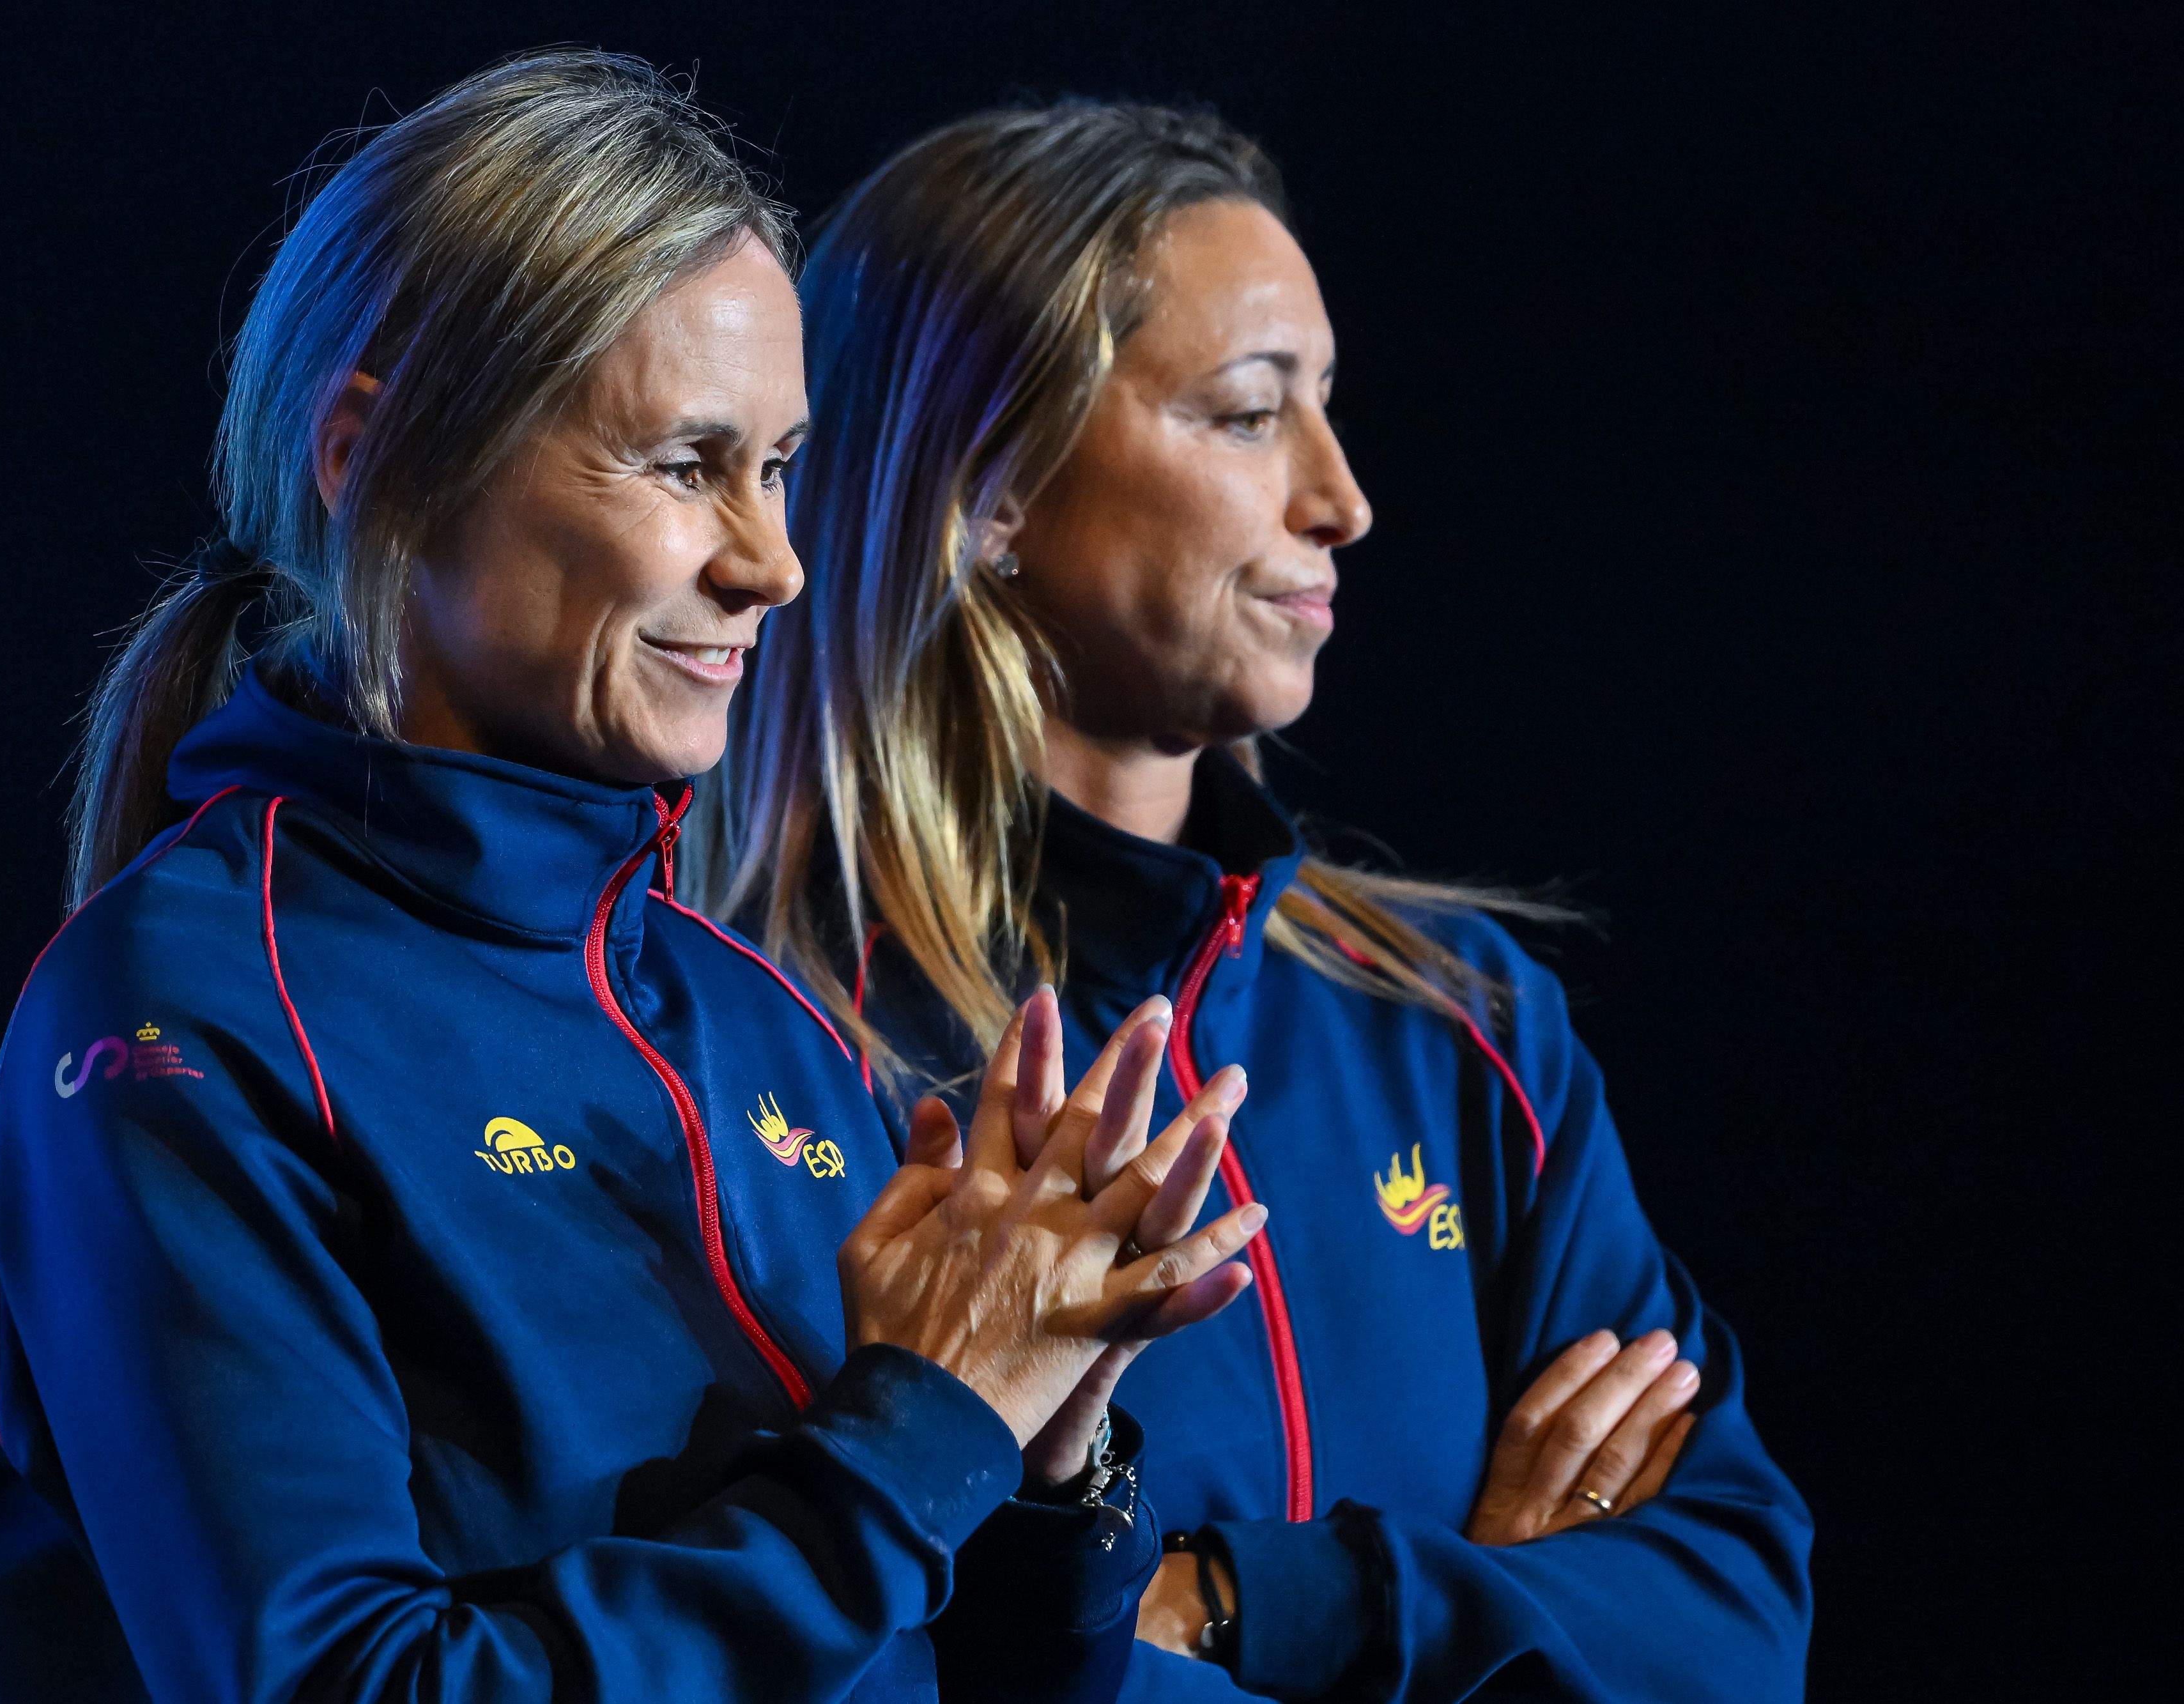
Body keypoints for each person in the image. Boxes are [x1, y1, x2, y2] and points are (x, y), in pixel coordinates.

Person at [0, 57, 1273, 1704]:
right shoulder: (181, 1016)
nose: (771, 563)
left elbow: (962, 1669)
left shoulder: (757, 1017)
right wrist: (920, 1433)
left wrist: (1047, 1454)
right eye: (687, 462)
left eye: (779, 466)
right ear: (377, 456)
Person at [703, 100, 1813, 1700]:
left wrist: (1245, 1596)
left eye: (1328, 408)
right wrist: (1491, 1614)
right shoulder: (754, 1033)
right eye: (1245, 414)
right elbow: (861, 1657)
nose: (1339, 498)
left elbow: (1730, 1626)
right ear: (992, 484)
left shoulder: (1459, 1021)